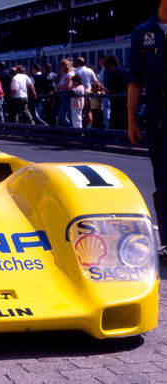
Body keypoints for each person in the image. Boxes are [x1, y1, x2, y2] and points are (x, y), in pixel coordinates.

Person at [128, 0, 167, 260]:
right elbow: (135, 80)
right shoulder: (143, 32)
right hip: (156, 121)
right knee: (163, 182)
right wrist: (131, 120)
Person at [104, 55, 127, 130]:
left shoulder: (115, 72)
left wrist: (108, 90)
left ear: (110, 64)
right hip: (124, 97)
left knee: (115, 117)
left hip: (117, 98)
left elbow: (113, 86)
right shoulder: (124, 70)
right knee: (123, 117)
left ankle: (115, 136)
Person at [56, 58, 74, 127]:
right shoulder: (65, 74)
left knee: (68, 114)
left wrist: (59, 87)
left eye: (61, 66)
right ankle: (70, 128)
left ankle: (71, 129)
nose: (60, 67)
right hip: (64, 96)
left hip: (67, 96)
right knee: (62, 115)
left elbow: (68, 86)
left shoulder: (69, 75)